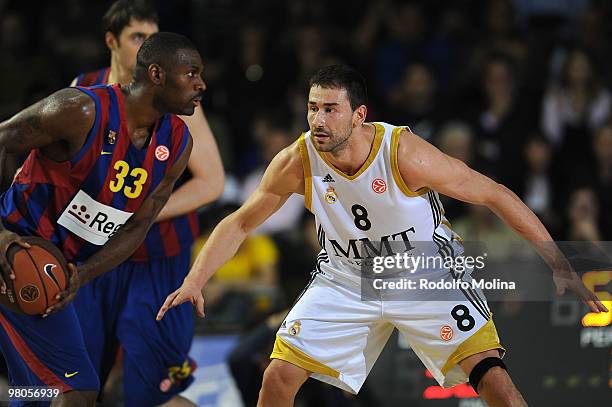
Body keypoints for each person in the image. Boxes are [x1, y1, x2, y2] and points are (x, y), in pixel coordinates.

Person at [157, 64, 607, 407]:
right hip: (347, 277)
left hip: (423, 271)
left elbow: (494, 194)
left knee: (493, 381)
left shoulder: (404, 153)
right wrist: (196, 279)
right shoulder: (297, 159)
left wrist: (558, 262)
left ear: (358, 115)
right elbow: (238, 222)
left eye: (330, 109)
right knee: (276, 377)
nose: (318, 120)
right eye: (313, 108)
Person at [0, 31, 203, 406]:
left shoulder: (177, 143)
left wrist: (85, 273)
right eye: (191, 73)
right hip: (15, 252)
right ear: (157, 74)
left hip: (54, 269)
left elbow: (138, 225)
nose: (200, 84)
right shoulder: (80, 110)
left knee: (52, 391)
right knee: (76, 389)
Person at [69, 2, 224, 406]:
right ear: (111, 41)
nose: (145, 47)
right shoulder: (84, 89)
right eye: (137, 37)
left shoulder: (177, 99)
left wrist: (139, 214)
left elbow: (212, 183)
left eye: (151, 38)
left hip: (157, 258)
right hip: (95, 257)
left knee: (152, 393)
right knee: (78, 384)